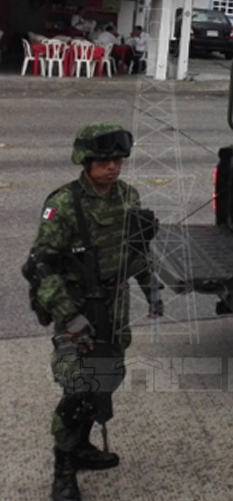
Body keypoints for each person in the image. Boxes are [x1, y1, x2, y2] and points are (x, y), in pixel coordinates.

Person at [24, 122, 159, 501]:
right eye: (103, 161)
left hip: (114, 308)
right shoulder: (63, 204)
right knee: (77, 390)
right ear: (85, 161)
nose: (112, 167)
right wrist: (68, 315)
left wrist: (151, 289)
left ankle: (82, 446)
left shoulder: (128, 196)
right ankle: (63, 470)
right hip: (77, 308)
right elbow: (41, 267)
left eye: (117, 160)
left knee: (107, 378)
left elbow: (137, 252)